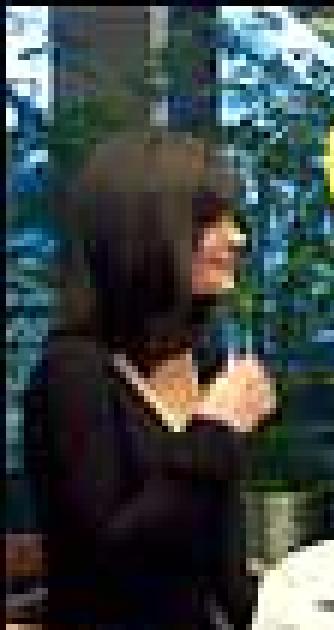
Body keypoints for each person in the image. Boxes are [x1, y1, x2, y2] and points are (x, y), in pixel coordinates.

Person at [22, 131, 276, 629]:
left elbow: (219, 561)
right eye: (210, 222)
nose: (237, 238)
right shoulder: (72, 374)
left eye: (233, 219)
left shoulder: (204, 359)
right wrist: (215, 431)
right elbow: (115, 568)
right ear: (144, 236)